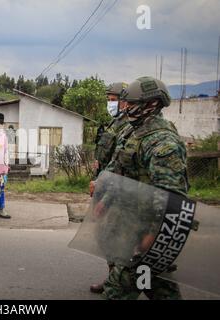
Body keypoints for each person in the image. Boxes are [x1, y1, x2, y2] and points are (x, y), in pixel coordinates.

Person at [102, 76, 188, 300]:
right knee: (157, 286)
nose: (126, 107)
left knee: (117, 291)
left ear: (150, 105)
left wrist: (153, 234)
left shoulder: (163, 143)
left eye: (132, 103)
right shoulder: (132, 132)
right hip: (130, 224)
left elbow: (171, 196)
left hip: (146, 232)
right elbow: (120, 170)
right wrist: (104, 199)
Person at [89, 82, 129, 294]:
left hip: (119, 189)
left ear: (125, 101)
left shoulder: (128, 125)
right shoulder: (115, 123)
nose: (109, 104)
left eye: (113, 100)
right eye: (109, 99)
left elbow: (121, 161)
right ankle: (113, 278)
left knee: (114, 235)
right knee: (105, 236)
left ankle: (118, 282)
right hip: (105, 184)